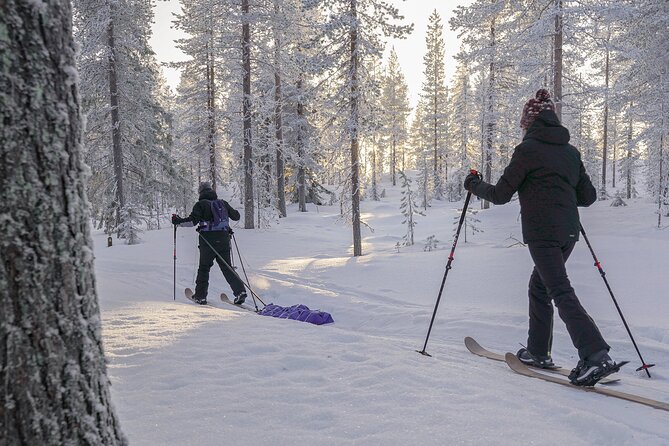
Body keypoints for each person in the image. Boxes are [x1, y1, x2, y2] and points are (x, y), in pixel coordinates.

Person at [463, 89, 622, 386]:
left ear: (529, 123)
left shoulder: (528, 150)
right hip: (568, 233)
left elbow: (500, 194)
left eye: (524, 124)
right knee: (540, 287)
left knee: (559, 290)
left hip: (542, 233)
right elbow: (587, 197)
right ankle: (538, 351)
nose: (522, 129)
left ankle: (596, 354)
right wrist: (560, 190)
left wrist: (474, 184)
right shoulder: (570, 152)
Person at [172, 182, 247, 306]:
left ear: (200, 192)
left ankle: (201, 296)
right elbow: (236, 216)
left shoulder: (200, 205)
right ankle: (240, 292)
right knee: (227, 267)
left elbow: (192, 222)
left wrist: (178, 221)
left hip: (207, 241)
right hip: (224, 239)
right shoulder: (222, 203)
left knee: (204, 268)